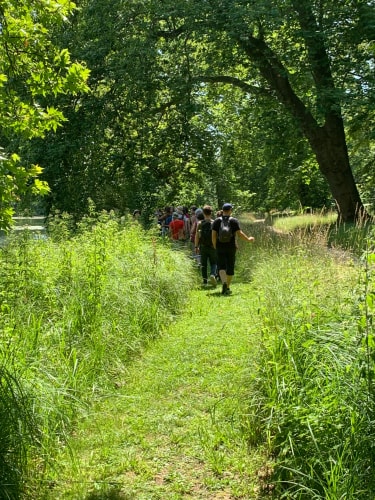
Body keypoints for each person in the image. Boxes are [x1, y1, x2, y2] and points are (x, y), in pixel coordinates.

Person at [212, 203, 254, 295]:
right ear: (230, 210)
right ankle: (227, 287)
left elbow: (214, 236)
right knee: (230, 267)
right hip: (231, 247)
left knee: (221, 267)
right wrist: (248, 239)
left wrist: (215, 246)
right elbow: (240, 233)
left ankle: (223, 283)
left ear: (222, 211)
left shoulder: (216, 221)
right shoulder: (234, 221)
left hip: (220, 246)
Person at [195, 205, 217, 286]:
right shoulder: (214, 222)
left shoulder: (200, 223)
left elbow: (197, 236)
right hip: (213, 246)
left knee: (203, 264)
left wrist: (196, 246)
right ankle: (212, 274)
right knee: (214, 263)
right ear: (211, 213)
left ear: (203, 213)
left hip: (203, 246)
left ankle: (205, 281)